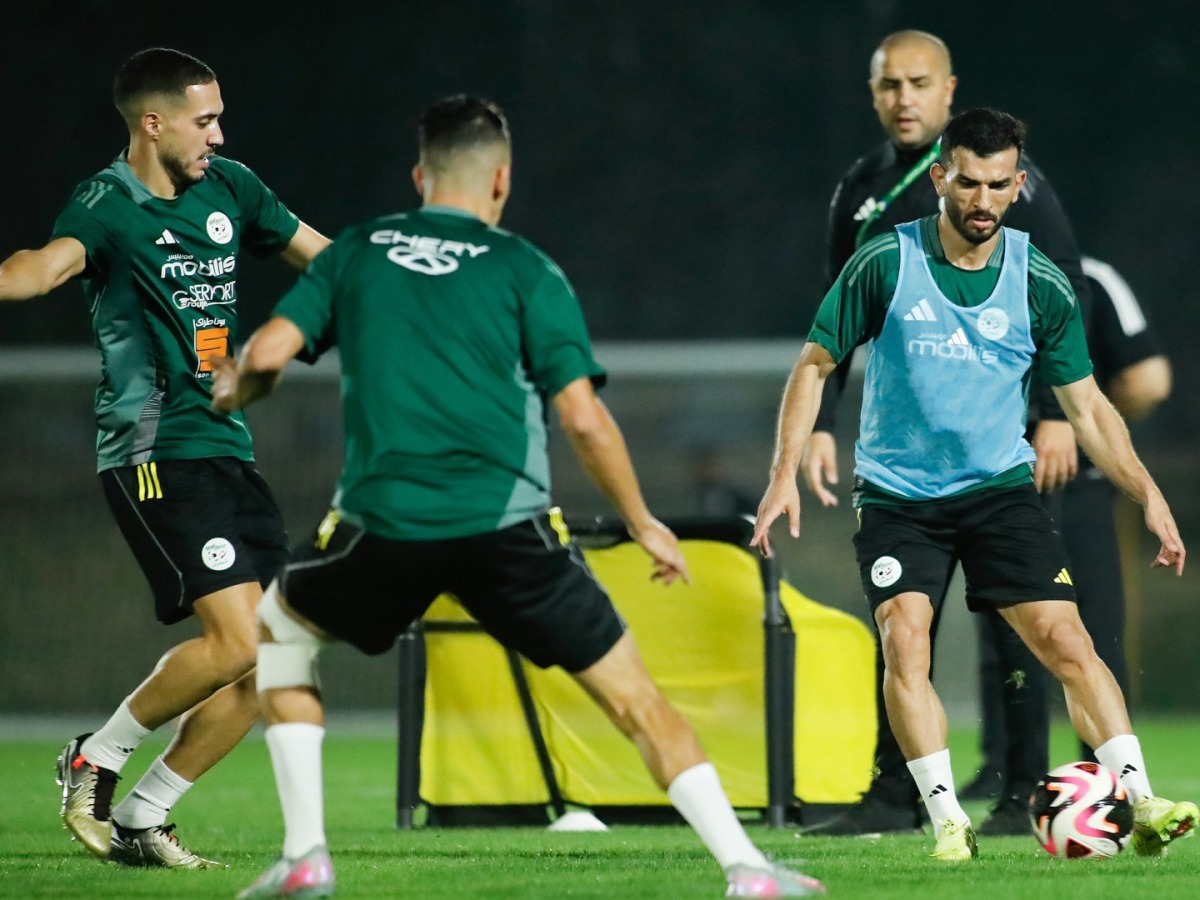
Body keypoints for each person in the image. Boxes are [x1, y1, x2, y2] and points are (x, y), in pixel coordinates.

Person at [210, 95, 825, 899]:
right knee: (636, 701)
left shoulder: (356, 252)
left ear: (419, 176)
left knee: (281, 630)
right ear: (501, 180)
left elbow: (267, 354)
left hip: (386, 527)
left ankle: (305, 857)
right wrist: (643, 522)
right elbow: (584, 418)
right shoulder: (526, 269)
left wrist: (240, 389)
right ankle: (746, 870)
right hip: (508, 533)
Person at [751, 107, 1197, 862]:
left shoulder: (1040, 280)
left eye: (997, 185)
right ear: (939, 179)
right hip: (898, 498)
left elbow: (1089, 407)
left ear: (1017, 185)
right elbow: (815, 365)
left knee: (1067, 640)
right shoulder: (884, 262)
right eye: (967, 183)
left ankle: (1141, 799)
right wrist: (781, 476)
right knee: (905, 637)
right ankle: (948, 820)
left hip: (999, 492)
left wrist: (1148, 494)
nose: (982, 200)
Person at [0, 47, 331, 867]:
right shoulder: (107, 203)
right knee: (239, 642)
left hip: (227, 449)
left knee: (274, 656)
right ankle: (95, 757)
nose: (218, 134)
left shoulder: (232, 188)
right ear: (154, 123)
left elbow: (324, 258)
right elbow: (43, 268)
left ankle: (144, 817)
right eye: (205, 120)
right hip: (154, 450)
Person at [801, 29, 1095, 836]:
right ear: (873, 93)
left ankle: (1023, 787)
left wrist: (1053, 414)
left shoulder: (1002, 179)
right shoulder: (861, 186)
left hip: (1002, 448)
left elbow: (1066, 288)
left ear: (949, 89)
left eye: (919, 83)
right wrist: (821, 424)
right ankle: (897, 792)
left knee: (1020, 619)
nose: (904, 98)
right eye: (889, 84)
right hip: (908, 464)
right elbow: (835, 310)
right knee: (901, 622)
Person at [971, 255, 1173, 795]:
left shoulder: (973, 273)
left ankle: (1007, 774)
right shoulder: (1088, 277)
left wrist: (1081, 425)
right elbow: (1148, 381)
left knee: (1008, 630)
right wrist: (1094, 429)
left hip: (997, 479)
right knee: (1091, 628)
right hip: (1068, 484)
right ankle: (1109, 777)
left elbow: (1150, 381)